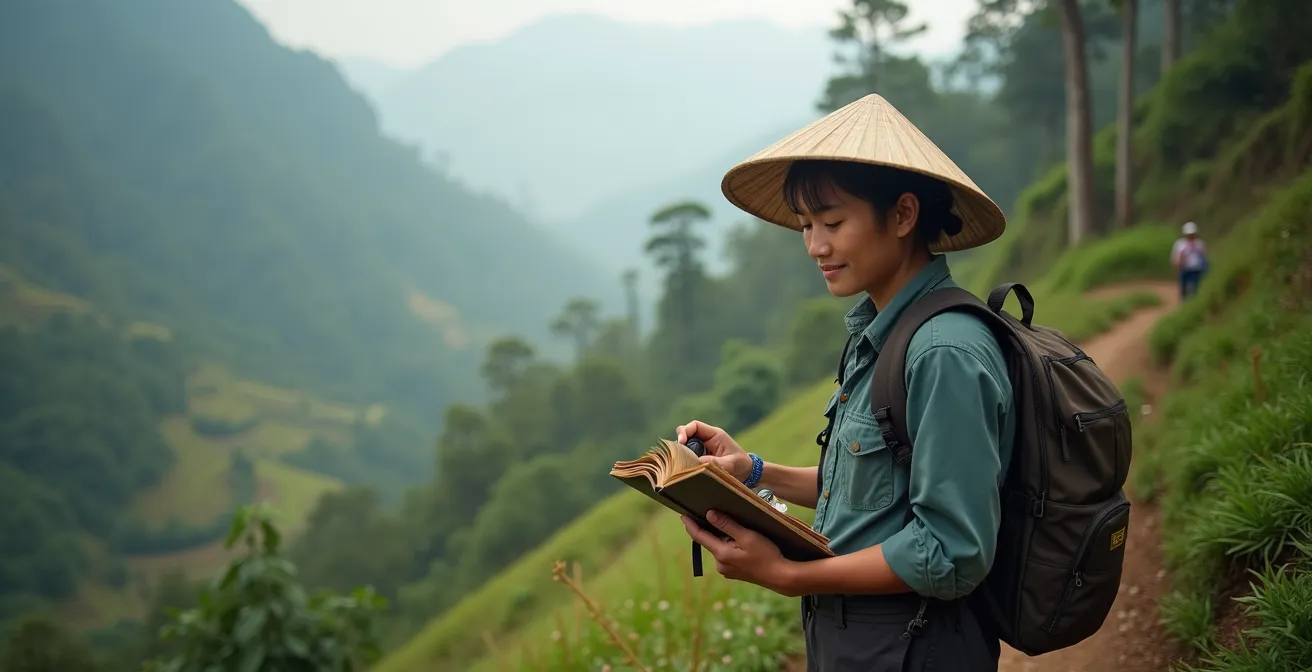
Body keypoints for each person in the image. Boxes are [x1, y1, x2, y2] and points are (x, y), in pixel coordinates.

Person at [676, 94, 1016, 671]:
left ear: (904, 215)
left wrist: (789, 575)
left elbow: (952, 551)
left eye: (833, 223)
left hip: (915, 649)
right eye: (807, 226)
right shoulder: (882, 335)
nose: (815, 246)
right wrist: (752, 471)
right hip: (859, 643)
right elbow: (877, 488)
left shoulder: (943, 352)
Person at [1171, 221, 1208, 299]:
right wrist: (1177, 265)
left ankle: (1194, 301)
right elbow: (1176, 257)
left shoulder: (1199, 244)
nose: (1191, 236)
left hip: (1196, 269)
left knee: (1195, 287)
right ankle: (1184, 302)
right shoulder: (1180, 244)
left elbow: (1203, 256)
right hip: (1185, 268)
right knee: (1183, 288)